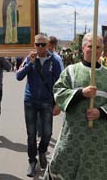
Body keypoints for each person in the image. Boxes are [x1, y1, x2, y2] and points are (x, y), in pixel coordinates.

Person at [44, 33, 107, 180]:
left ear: (102, 50)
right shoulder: (70, 71)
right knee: (65, 168)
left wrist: (100, 112)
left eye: (98, 47)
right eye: (90, 46)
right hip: (73, 134)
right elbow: (59, 92)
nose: (94, 50)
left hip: (100, 137)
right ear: (83, 48)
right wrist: (81, 93)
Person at [16, 34, 62, 177]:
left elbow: (59, 83)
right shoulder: (29, 58)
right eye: (38, 44)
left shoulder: (54, 60)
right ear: (34, 45)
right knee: (31, 134)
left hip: (47, 101)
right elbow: (18, 76)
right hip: (30, 100)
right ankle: (32, 161)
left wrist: (58, 104)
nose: (40, 47)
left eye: (43, 44)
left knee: (47, 133)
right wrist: (30, 63)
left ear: (48, 45)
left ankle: (42, 151)